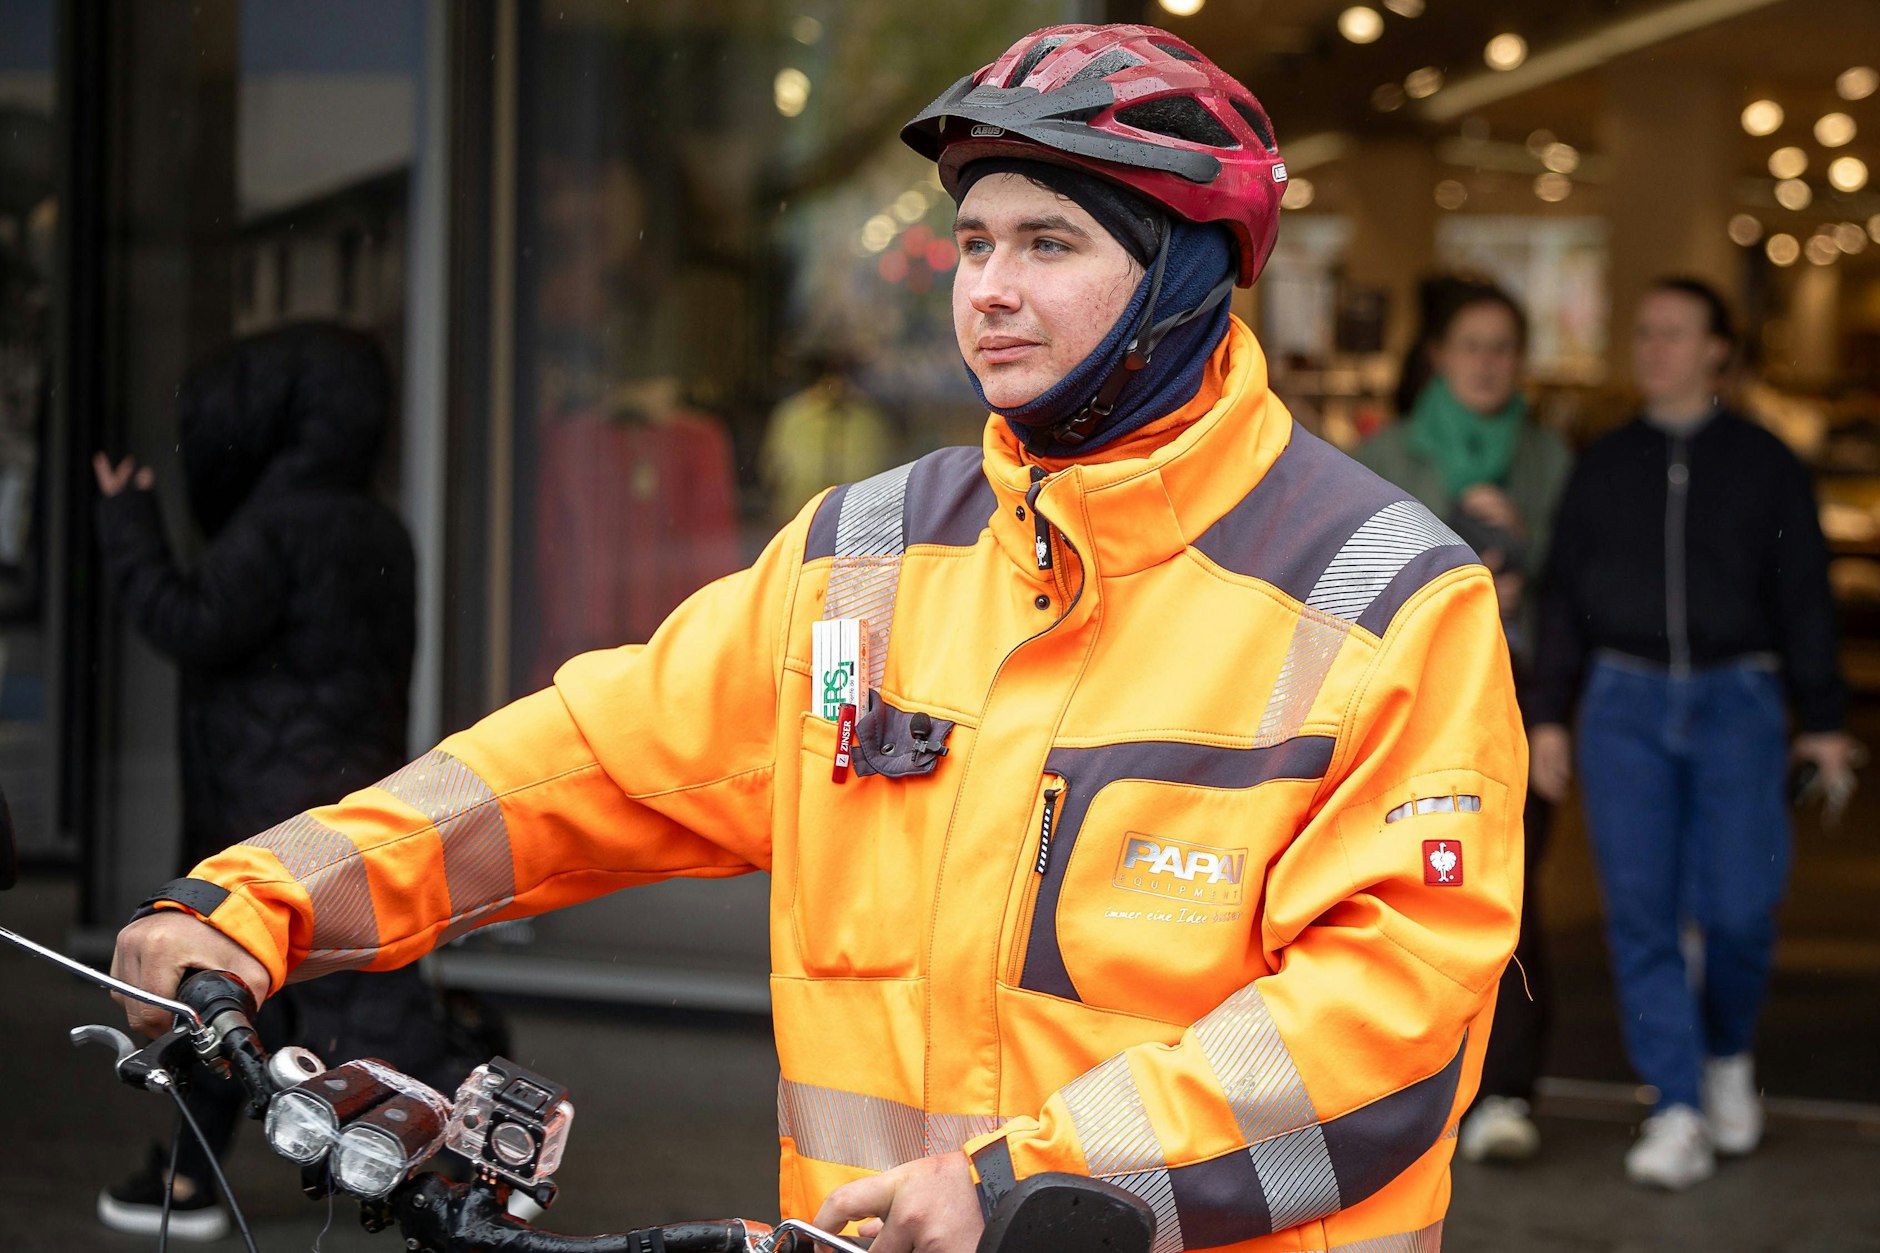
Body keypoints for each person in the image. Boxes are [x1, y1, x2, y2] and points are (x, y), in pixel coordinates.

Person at [111, 26, 1523, 1252]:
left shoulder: (1387, 596)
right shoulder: (869, 554)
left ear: (1186, 276)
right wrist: (262, 897)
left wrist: (1033, 1177)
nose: (987, 289)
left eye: (1049, 243)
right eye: (974, 241)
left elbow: (1387, 1019)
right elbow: (580, 766)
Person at [93, 323, 452, 1239]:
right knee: (345, 984)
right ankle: (422, 1163)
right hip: (349, 787)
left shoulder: (278, 522)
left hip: (261, 796)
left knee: (229, 984)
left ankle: (196, 1176)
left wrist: (128, 526)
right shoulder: (380, 524)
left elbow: (189, 620)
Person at [1529, 277, 1858, 1191]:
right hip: (1623, 704)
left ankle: (1723, 1055)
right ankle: (1674, 1102)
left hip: (1738, 701)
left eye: (1674, 333)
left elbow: (1806, 598)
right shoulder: (1604, 462)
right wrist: (1550, 711)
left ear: (1718, 348)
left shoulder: (1766, 463)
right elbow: (1562, 596)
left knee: (1740, 909)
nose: (1654, 348)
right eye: (1643, 333)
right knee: (1640, 913)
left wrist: (1823, 720)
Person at [1356, 281, 1571, 1165]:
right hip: (1413, 705)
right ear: (1437, 355)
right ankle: (1408, 1085)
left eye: (1504, 347)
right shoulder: (1384, 454)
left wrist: (1532, 570)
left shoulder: (1553, 459)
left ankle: (1507, 1090)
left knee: (1506, 898)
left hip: (1517, 703)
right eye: (1473, 345)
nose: (1489, 363)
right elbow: (1353, 582)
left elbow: (1588, 595)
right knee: (1405, 896)